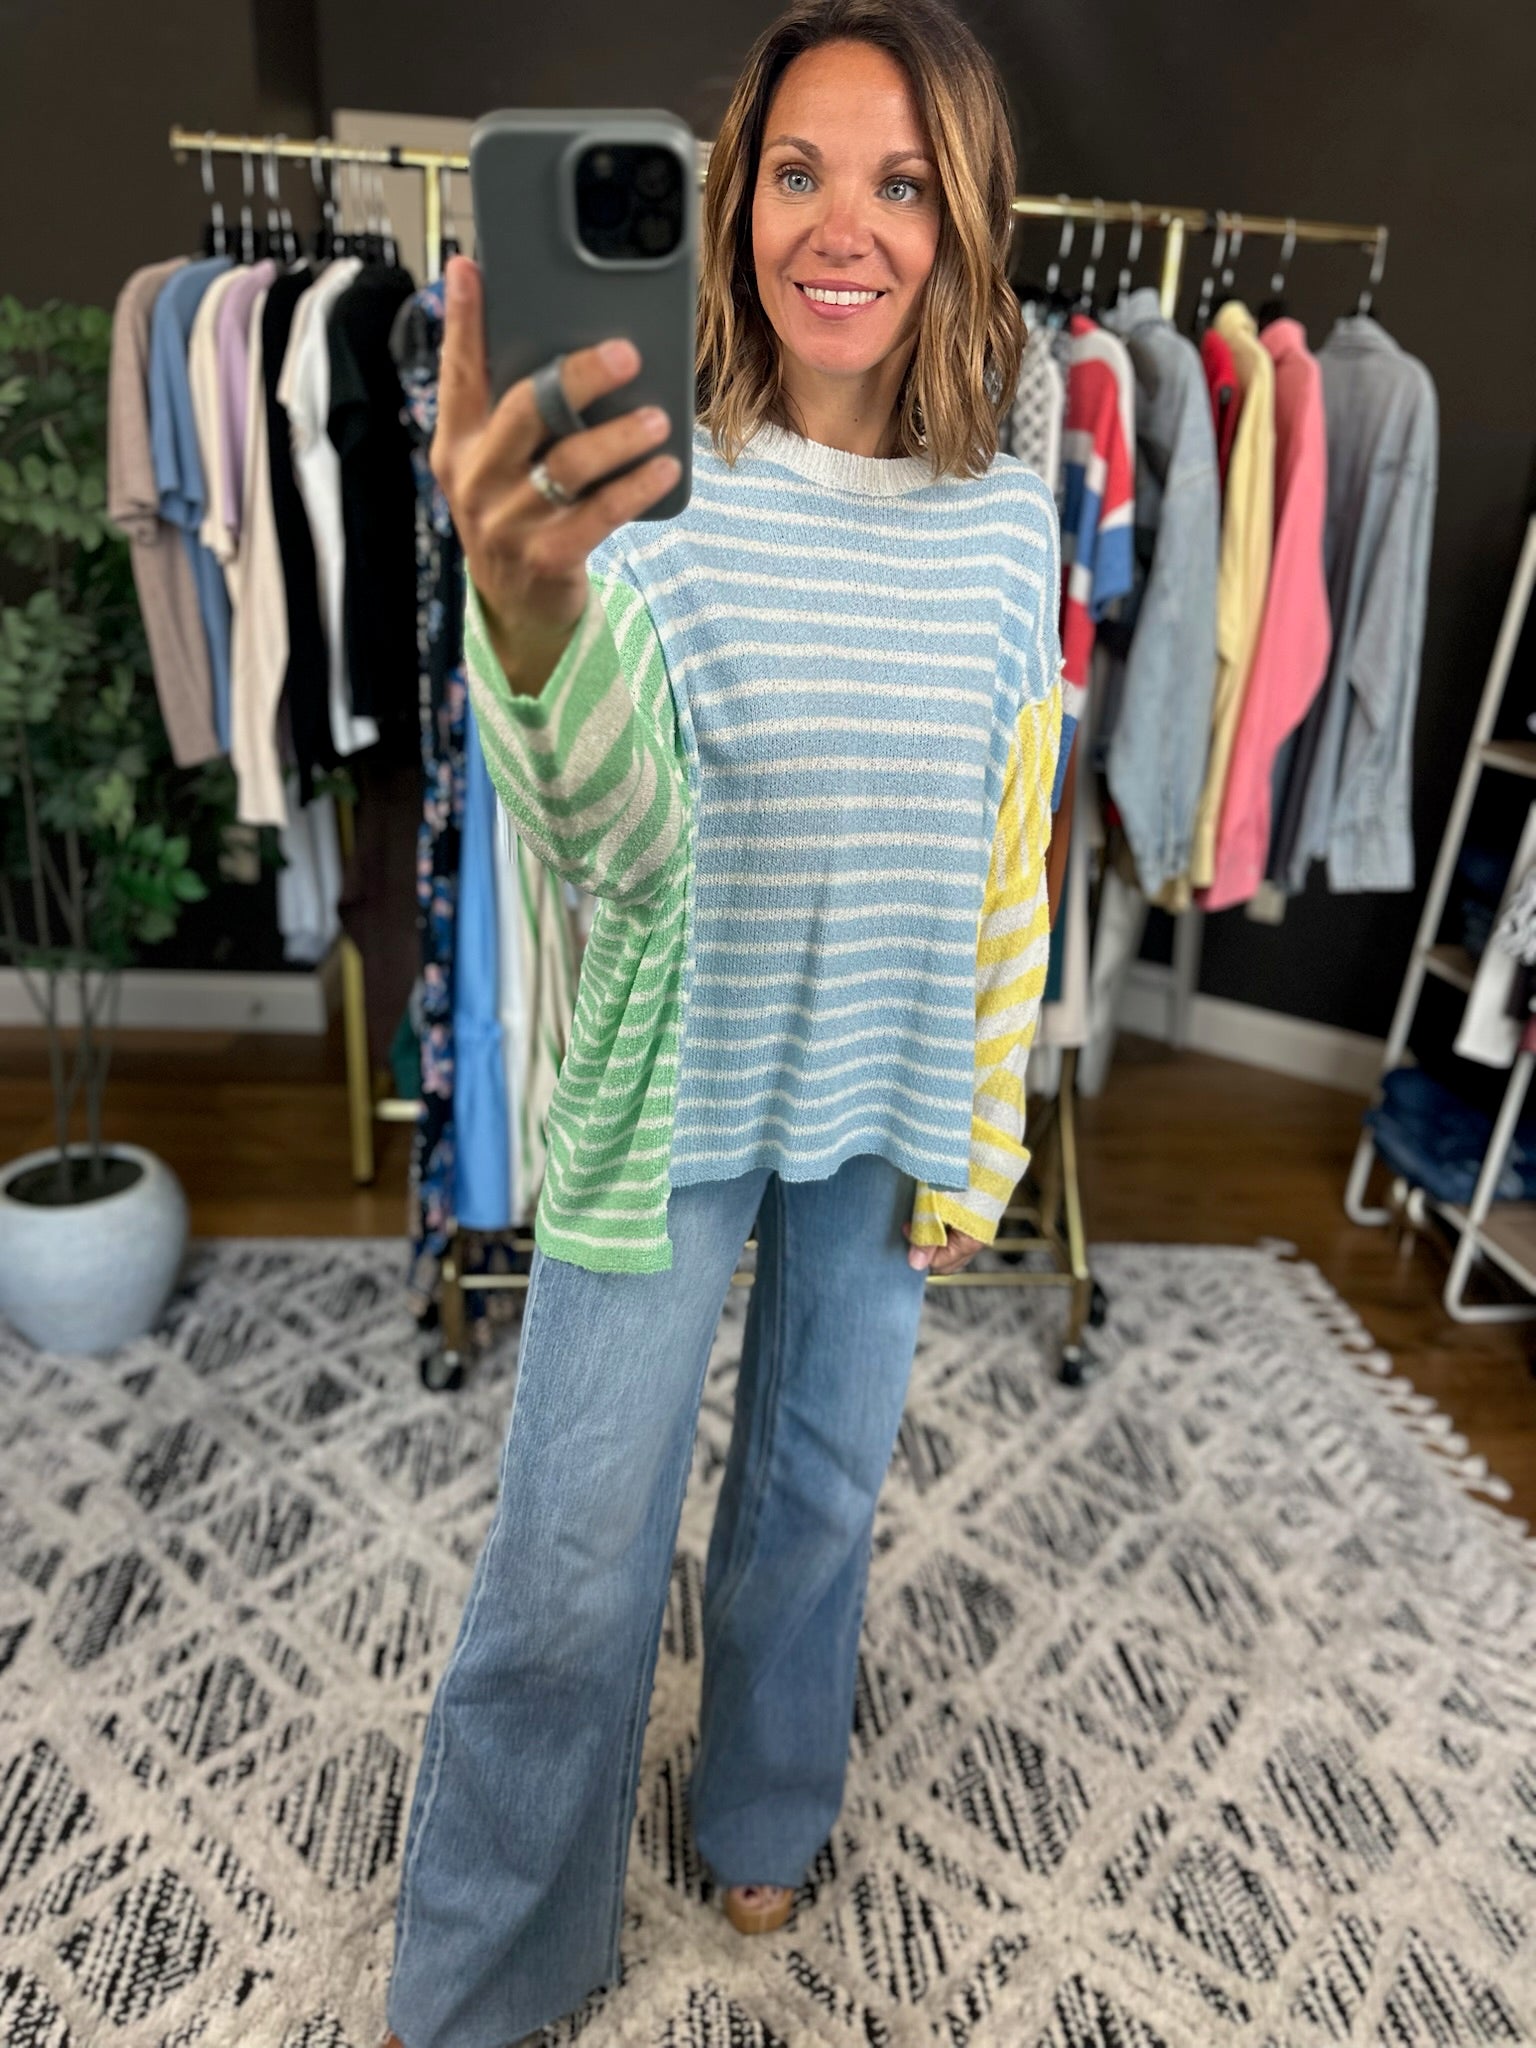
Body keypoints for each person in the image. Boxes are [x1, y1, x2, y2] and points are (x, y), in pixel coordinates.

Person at [382, 1, 1062, 2041]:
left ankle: (767, 1802)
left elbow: (1011, 849)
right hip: (666, 1096)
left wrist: (990, 1130)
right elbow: (608, 833)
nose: (844, 226)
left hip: (892, 1086)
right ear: (731, 198)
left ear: (961, 221)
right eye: (797, 171)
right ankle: (493, 1965)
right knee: (574, 1554)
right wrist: (529, 612)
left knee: (821, 1495)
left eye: (902, 182)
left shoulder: (1011, 521)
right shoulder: (658, 495)